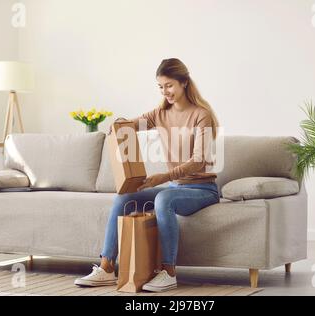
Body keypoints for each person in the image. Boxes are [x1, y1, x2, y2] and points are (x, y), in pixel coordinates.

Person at [74, 58, 220, 292]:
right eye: (160, 87)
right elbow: (133, 125)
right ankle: (107, 267)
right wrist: (119, 125)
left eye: (169, 85)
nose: (165, 92)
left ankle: (169, 272)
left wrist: (162, 177)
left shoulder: (201, 115)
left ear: (183, 82)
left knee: (163, 199)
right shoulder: (160, 113)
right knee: (125, 198)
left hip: (203, 190)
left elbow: (199, 161)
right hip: (174, 187)